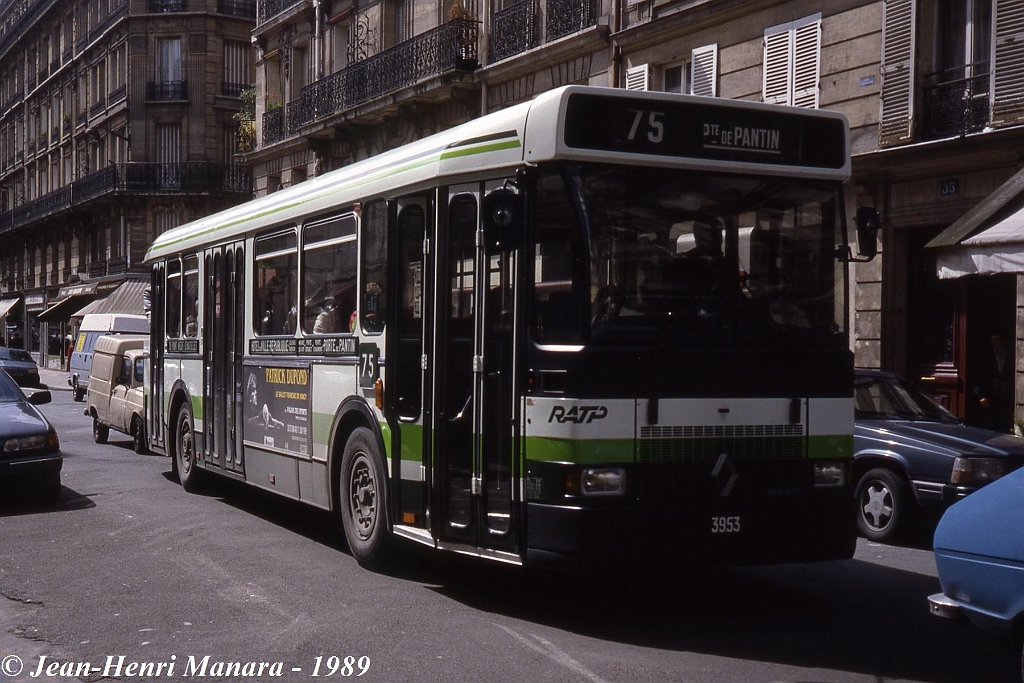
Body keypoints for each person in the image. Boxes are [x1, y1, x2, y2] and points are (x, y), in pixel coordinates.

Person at [971, 331, 1015, 432]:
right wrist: (980, 395)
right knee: (989, 424)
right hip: (990, 397)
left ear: (1003, 341)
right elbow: (977, 377)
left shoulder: (1010, 357)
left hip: (1005, 398)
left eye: (996, 339)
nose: (993, 342)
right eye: (992, 339)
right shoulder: (985, 358)